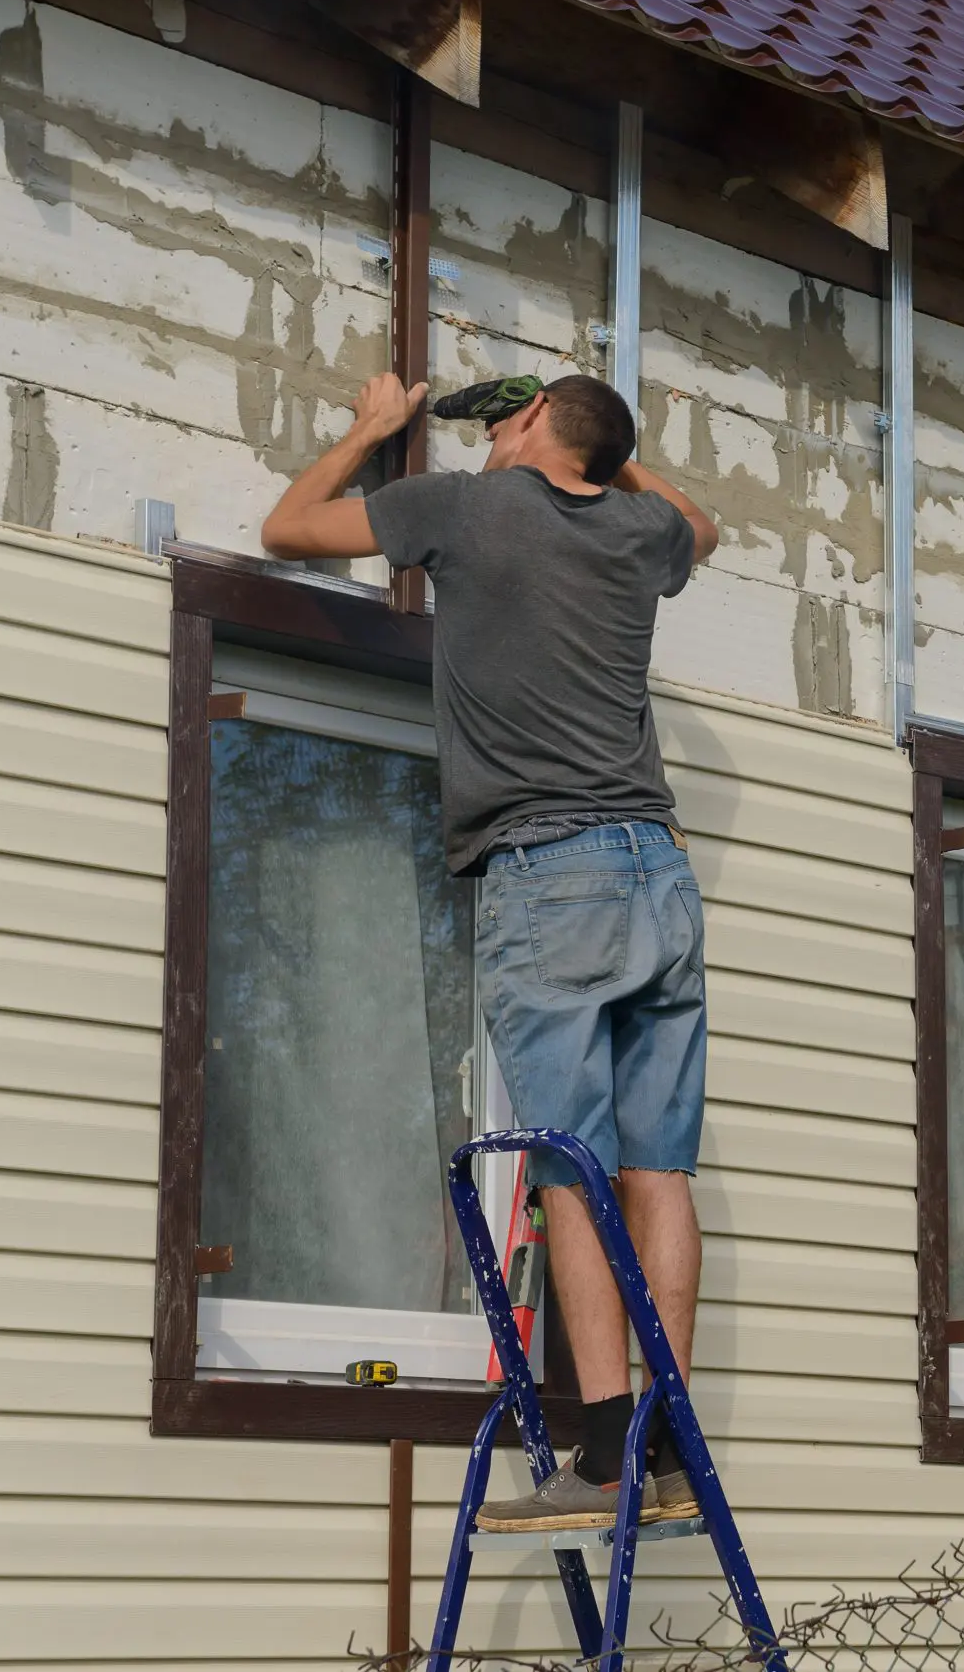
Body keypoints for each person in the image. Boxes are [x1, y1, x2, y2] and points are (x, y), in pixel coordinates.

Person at [261, 370, 721, 1530]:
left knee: (571, 1161)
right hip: (657, 869)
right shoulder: (637, 527)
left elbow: (288, 528)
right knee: (657, 1166)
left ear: (528, 435)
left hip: (548, 867)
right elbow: (704, 526)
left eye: (503, 421)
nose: (488, 433)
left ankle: (608, 1451)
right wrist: (607, 458)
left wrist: (370, 431)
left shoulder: (466, 506)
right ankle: (664, 1431)